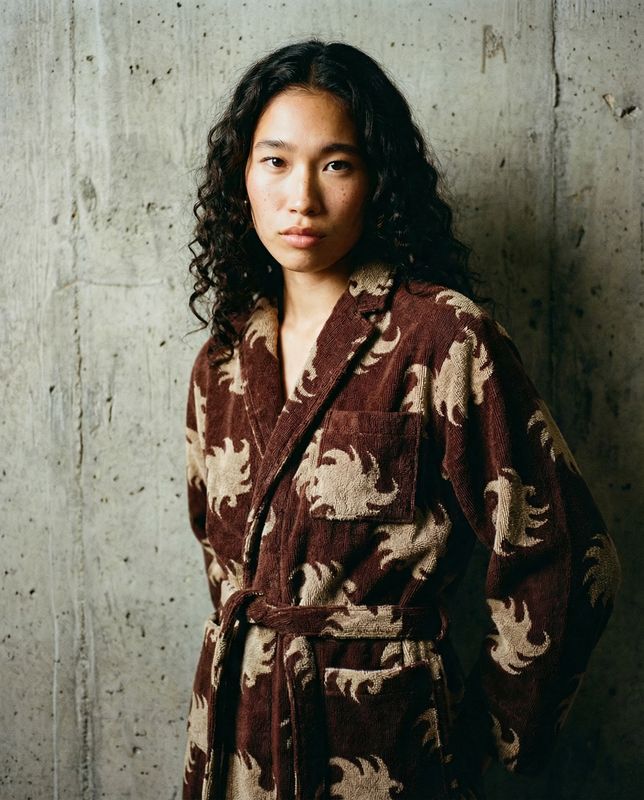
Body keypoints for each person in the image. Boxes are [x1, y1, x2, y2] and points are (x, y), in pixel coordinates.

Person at [182, 39, 620, 800]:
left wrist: (478, 736)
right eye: (275, 162)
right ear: (240, 178)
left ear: (377, 178)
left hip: (384, 749)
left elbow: (568, 556)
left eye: (337, 164)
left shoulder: (444, 337)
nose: (302, 199)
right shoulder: (222, 359)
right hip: (232, 746)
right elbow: (223, 562)